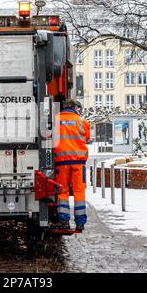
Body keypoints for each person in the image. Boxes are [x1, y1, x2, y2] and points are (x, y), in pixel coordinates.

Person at [53, 99, 91, 231]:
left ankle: (64, 221)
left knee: (62, 191)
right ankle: (80, 223)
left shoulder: (55, 120)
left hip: (61, 162)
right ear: (75, 108)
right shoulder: (82, 121)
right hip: (78, 163)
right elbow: (86, 138)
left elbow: (50, 137)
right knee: (79, 191)